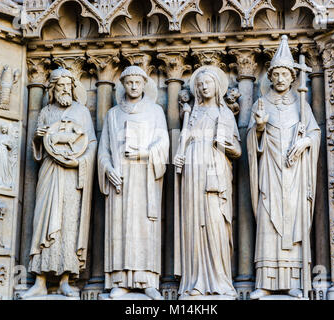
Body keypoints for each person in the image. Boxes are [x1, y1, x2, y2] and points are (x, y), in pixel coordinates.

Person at [247, 36, 321, 299]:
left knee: (293, 223)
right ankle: (264, 282)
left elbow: (315, 133)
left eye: (284, 74)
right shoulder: (262, 104)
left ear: (292, 77)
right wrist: (258, 127)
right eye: (275, 74)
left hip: (294, 174)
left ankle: (293, 280)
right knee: (269, 220)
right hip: (270, 171)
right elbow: (250, 141)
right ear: (270, 77)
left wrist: (304, 143)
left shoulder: (301, 105)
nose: (280, 78)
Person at [20, 68, 97, 298]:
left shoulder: (82, 112)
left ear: (73, 88)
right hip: (49, 172)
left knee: (68, 223)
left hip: (71, 175)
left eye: (67, 85)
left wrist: (79, 162)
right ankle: (40, 281)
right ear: (53, 89)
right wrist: (37, 139)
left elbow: (91, 143)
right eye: (60, 86)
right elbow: (38, 145)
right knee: (43, 222)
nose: (64, 89)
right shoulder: (45, 111)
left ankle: (66, 279)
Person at [98, 66, 169, 300]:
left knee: (144, 226)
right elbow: (103, 150)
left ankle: (148, 280)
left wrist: (145, 153)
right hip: (121, 178)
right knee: (120, 226)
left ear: (144, 84)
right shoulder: (113, 114)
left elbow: (163, 144)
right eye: (129, 82)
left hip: (145, 176)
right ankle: (120, 279)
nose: (134, 86)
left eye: (138, 82)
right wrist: (107, 169)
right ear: (123, 85)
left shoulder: (155, 111)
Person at [174, 66, 241, 299]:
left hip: (216, 173)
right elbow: (183, 140)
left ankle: (220, 281)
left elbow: (237, 150)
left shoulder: (225, 115)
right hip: (192, 174)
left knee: (215, 223)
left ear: (217, 87)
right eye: (200, 84)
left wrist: (222, 144)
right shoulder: (191, 114)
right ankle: (196, 281)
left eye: (208, 83)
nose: (203, 87)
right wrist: (181, 152)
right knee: (193, 225)